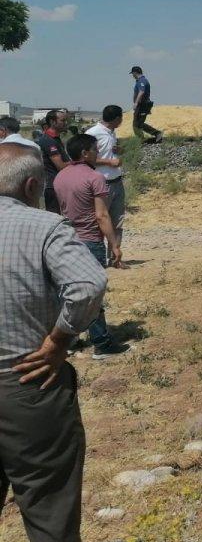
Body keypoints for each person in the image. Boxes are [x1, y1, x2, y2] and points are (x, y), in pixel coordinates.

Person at [0, 144, 108, 542]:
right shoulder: (43, 226)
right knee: (48, 506)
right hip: (27, 380)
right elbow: (88, 285)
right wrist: (59, 340)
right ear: (31, 186)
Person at [53, 135, 130, 360]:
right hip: (90, 241)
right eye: (95, 150)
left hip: (67, 239)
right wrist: (114, 245)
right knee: (93, 294)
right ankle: (101, 343)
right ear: (85, 153)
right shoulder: (95, 178)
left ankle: (68, 340)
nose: (98, 154)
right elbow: (101, 215)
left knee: (68, 292)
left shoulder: (61, 176)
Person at [86, 105, 127, 266]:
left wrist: (117, 152)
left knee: (117, 221)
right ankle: (96, 258)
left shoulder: (111, 133)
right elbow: (85, 158)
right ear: (116, 119)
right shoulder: (93, 133)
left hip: (116, 181)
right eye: (121, 118)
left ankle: (114, 257)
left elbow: (109, 152)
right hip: (101, 184)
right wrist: (109, 162)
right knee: (100, 222)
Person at [36, 109, 71, 212]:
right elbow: (60, 166)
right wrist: (78, 162)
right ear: (52, 122)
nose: (66, 123)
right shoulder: (48, 140)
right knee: (54, 216)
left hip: (58, 183)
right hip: (52, 186)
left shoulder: (56, 139)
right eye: (63, 120)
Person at [129, 66, 163, 143]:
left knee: (136, 125)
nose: (132, 76)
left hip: (142, 105)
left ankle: (144, 139)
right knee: (139, 124)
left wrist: (136, 103)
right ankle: (150, 136)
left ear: (135, 72)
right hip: (142, 105)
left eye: (132, 74)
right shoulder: (140, 81)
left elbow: (141, 92)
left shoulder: (142, 81)